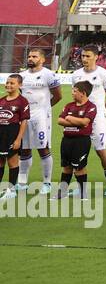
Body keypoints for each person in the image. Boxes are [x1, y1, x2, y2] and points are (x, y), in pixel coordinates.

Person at [70, 46, 106, 196]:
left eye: (88, 56)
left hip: (97, 120)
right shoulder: (76, 75)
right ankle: (80, 187)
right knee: (77, 151)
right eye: (83, 56)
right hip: (79, 118)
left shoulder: (103, 74)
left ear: (96, 57)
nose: (84, 59)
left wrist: (101, 112)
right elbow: (76, 96)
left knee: (101, 151)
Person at [18, 48, 61, 195]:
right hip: (24, 117)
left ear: (42, 59)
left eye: (34, 56)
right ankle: (22, 182)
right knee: (24, 149)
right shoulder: (22, 76)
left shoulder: (48, 75)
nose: (30, 58)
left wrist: (44, 109)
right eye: (29, 56)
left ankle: (47, 182)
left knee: (43, 148)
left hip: (41, 116)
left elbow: (58, 96)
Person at [55, 81, 97, 198]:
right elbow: (59, 121)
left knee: (79, 167)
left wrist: (69, 118)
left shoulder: (91, 107)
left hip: (81, 141)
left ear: (83, 93)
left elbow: (85, 122)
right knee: (66, 166)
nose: (72, 93)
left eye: (75, 91)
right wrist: (76, 121)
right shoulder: (69, 105)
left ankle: (83, 192)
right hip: (67, 140)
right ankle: (62, 191)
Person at [0, 75, 30, 198]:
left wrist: (18, 139)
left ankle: (11, 190)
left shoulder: (22, 101)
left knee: (12, 162)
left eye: (12, 83)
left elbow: (24, 122)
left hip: (12, 133)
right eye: (7, 82)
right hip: (0, 133)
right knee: (0, 162)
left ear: (20, 85)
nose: (8, 85)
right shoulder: (1, 100)